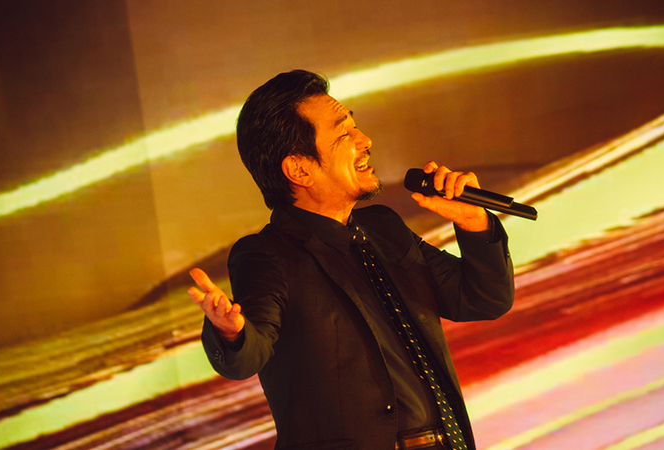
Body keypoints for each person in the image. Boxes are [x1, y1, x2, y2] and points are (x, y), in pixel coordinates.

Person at [188, 70, 514, 450]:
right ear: (299, 169)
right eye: (344, 134)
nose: (365, 141)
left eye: (355, 126)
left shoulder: (384, 228)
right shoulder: (268, 254)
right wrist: (231, 332)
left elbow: (483, 299)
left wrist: (475, 223)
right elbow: (250, 352)